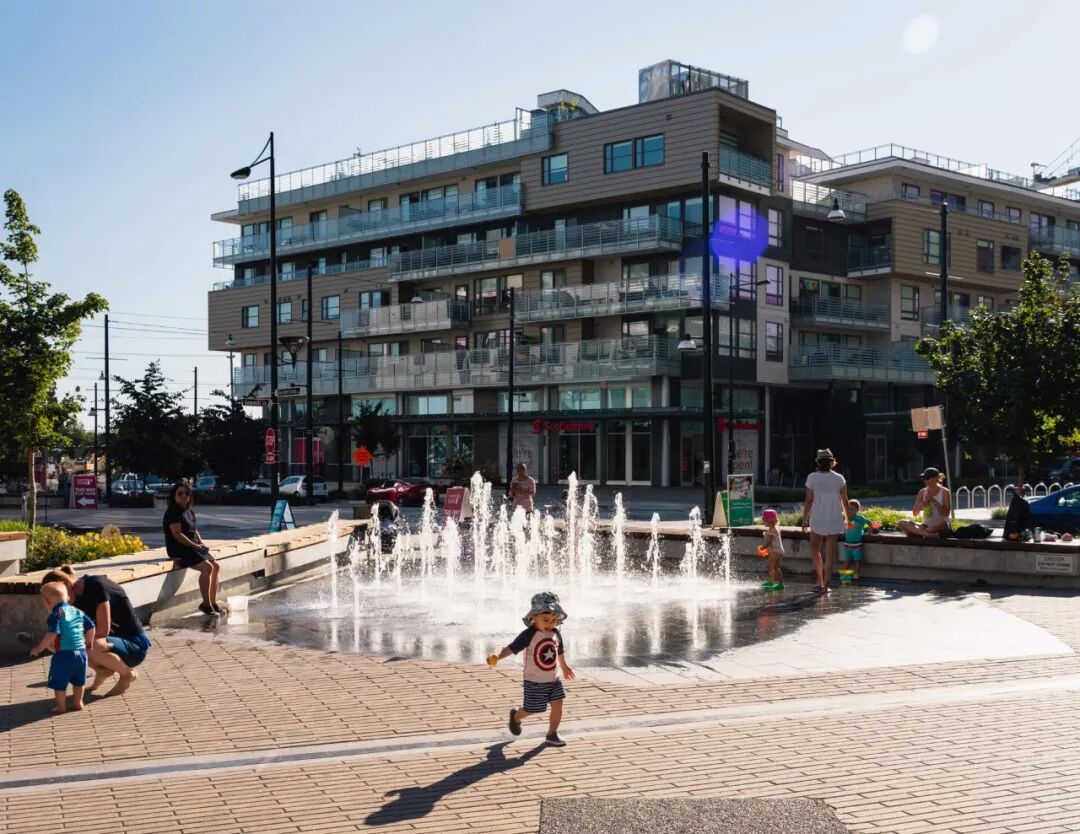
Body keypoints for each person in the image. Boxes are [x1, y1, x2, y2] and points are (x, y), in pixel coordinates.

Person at [41, 564, 151, 697]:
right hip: (112, 644)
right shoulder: (72, 599)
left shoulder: (95, 585)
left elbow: (103, 631)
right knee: (58, 642)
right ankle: (103, 670)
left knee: (90, 642)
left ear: (67, 584)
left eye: (58, 596)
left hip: (134, 647)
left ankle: (127, 674)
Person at [487, 591, 575, 747]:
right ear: (534, 617)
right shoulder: (528, 635)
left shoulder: (555, 633)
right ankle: (516, 716)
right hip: (534, 681)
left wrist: (564, 666)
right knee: (533, 709)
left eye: (554, 620)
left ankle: (552, 734)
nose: (550, 623)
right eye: (546, 620)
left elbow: (559, 651)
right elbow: (512, 648)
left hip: (554, 679)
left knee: (558, 703)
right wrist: (498, 657)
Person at [30, 582, 95, 714]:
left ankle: (61, 706)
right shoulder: (78, 611)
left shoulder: (56, 614)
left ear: (47, 601)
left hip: (64, 655)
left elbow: (52, 633)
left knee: (59, 682)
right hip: (81, 653)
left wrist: (39, 648)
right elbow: (91, 627)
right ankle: (78, 702)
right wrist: (89, 642)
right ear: (68, 598)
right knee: (79, 681)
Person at [163, 482, 224, 616]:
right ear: (174, 496)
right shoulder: (173, 512)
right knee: (207, 567)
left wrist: (201, 543)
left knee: (216, 566)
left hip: (192, 546)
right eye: (180, 493)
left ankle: (213, 602)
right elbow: (178, 535)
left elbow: (194, 530)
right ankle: (206, 605)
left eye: (186, 493)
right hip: (179, 549)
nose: (184, 496)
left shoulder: (189, 511)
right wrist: (195, 546)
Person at [802, 448, 850, 592]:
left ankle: (820, 581)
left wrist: (804, 519)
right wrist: (848, 520)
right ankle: (827, 585)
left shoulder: (812, 477)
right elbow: (845, 501)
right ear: (832, 462)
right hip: (835, 518)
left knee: (815, 550)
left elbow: (809, 501)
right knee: (830, 554)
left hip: (818, 518)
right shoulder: (839, 478)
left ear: (818, 462)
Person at [898, 468, 952, 539]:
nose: (926, 481)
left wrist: (933, 500)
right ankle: (928, 534)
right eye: (924, 478)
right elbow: (915, 513)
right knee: (901, 523)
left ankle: (918, 532)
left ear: (936, 478)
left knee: (939, 525)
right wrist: (922, 504)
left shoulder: (945, 492)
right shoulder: (922, 492)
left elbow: (946, 513)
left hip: (941, 525)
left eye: (928, 478)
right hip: (926, 525)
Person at [842, 499, 872, 580]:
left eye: (852, 509)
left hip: (857, 544)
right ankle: (844, 575)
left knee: (857, 560)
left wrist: (869, 531)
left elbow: (869, 522)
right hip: (848, 544)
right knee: (847, 560)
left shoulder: (859, 518)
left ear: (857, 510)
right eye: (848, 509)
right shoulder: (846, 518)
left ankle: (857, 573)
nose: (850, 511)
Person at [760, 508, 784, 592]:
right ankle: (771, 581)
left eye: (764, 520)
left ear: (770, 521)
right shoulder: (774, 528)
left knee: (775, 567)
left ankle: (780, 584)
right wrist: (766, 534)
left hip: (777, 551)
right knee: (770, 566)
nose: (763, 522)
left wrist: (762, 548)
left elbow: (768, 543)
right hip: (774, 550)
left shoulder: (772, 530)